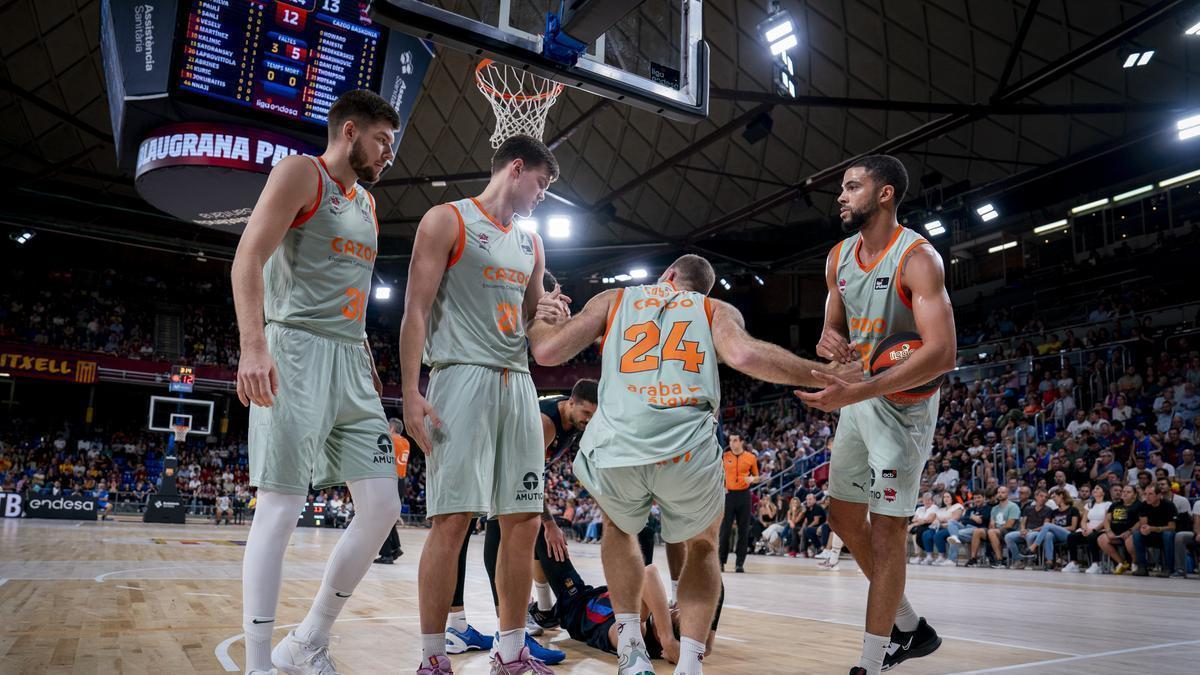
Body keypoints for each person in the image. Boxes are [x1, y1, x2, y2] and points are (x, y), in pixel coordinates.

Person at [527, 253, 857, 675]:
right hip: (685, 445)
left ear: (666, 276)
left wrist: (539, 319)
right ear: (704, 289)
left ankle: (630, 646)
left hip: (621, 442)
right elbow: (745, 356)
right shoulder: (713, 308)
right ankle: (690, 662)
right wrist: (824, 374)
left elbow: (548, 351)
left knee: (619, 527)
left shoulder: (616, 298)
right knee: (703, 544)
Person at [232, 89, 404, 675]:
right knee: (281, 506)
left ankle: (307, 640)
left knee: (382, 504)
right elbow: (248, 257)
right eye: (383, 140)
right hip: (295, 348)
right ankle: (258, 664)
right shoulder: (301, 174)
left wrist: (363, 354)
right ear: (350, 132)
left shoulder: (370, 205)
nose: (389, 154)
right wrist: (254, 346)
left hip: (351, 360)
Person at [400, 133, 564, 675]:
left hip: (517, 382)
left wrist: (550, 315)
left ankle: (511, 651)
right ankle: (431, 657)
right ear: (516, 170)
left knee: (523, 521)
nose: (542, 195)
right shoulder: (446, 220)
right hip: (460, 377)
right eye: (541, 184)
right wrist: (410, 392)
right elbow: (416, 312)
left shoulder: (532, 244)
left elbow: (530, 328)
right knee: (453, 521)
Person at [797, 155, 957, 675]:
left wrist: (859, 389)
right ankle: (909, 626)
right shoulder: (838, 257)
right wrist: (830, 343)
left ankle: (872, 659)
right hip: (860, 397)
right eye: (841, 188)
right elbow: (832, 333)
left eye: (852, 186)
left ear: (884, 194)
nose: (840, 196)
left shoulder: (918, 259)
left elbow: (943, 353)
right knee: (842, 516)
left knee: (888, 533)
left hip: (905, 408)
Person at [445, 378, 598, 665]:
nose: (589, 420)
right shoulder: (546, 424)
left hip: (497, 459)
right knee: (501, 533)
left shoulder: (572, 420)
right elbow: (527, 476)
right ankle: (508, 634)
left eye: (594, 415)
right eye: (585, 413)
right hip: (486, 460)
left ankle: (462, 627)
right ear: (571, 403)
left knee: (514, 530)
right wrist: (551, 523)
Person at [718, 434, 758, 572]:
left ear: (741, 442)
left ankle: (739, 563)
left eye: (735, 440)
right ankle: (720, 561)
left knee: (743, 530)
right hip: (729, 495)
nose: (732, 443)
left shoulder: (751, 457)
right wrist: (721, 486)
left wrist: (752, 479)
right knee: (725, 530)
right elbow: (718, 473)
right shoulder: (725, 456)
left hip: (744, 496)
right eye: (730, 440)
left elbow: (757, 476)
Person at [374, 418, 411, 565]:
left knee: (382, 518)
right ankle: (395, 548)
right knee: (389, 517)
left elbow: (381, 459)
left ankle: (386, 554)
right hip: (401, 481)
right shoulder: (406, 442)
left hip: (390, 479)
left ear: (391, 428)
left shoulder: (389, 440)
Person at [1131, 485, 1177, 577]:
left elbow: (1172, 527)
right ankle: (1142, 567)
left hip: (1164, 533)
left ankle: (1168, 568)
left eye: (1150, 494)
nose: (1147, 497)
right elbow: (1143, 524)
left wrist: (1154, 529)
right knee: (1137, 534)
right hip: (1151, 534)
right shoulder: (1144, 505)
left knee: (1167, 535)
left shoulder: (1168, 505)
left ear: (1159, 495)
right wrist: (1144, 529)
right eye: (1145, 494)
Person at [1004, 488, 1054, 569]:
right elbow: (1023, 522)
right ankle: (1018, 560)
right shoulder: (1028, 508)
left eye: (1046, 497)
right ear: (1036, 496)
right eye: (1041, 496)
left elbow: (1045, 526)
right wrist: (1023, 529)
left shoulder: (1048, 510)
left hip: (1038, 532)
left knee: (1030, 536)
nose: (1043, 498)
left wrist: (1030, 531)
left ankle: (1031, 561)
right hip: (1026, 531)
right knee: (1008, 536)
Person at [1064, 485, 1110, 574]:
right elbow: (1084, 520)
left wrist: (1093, 530)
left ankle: (1096, 564)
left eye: (1098, 489)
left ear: (1103, 492)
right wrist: (1085, 529)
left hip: (1100, 529)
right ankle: (1074, 563)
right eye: (1094, 488)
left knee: (1092, 537)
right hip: (1088, 528)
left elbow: (1105, 521)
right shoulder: (1089, 504)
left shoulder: (1108, 504)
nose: (1095, 490)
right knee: (1071, 536)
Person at [1098, 484, 1141, 574]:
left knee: (1129, 540)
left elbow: (1140, 522)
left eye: (1128, 492)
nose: (1125, 494)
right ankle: (1122, 563)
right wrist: (1109, 532)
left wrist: (1130, 531)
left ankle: (1134, 563)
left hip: (1130, 534)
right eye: (1123, 492)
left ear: (1135, 495)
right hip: (1115, 534)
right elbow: (1107, 519)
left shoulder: (1139, 505)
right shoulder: (1115, 505)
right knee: (1101, 539)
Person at [1035, 490, 1079, 570]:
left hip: (1068, 535)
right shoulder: (1054, 512)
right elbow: (1051, 528)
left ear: (1061, 496)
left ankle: (1034, 545)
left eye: (1054, 497)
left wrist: (1057, 528)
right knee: (1048, 534)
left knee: (1048, 525)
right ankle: (1049, 561)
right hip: (1056, 535)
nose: (1053, 499)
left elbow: (1073, 527)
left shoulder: (1073, 510)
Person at [980, 486, 1020, 567]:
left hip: (1009, 530)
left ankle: (1000, 560)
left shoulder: (1013, 506)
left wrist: (994, 529)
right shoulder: (994, 508)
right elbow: (991, 523)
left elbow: (1010, 524)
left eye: (1003, 492)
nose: (1000, 494)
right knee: (978, 531)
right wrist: (992, 525)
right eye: (998, 492)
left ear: (1007, 494)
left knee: (991, 532)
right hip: (996, 531)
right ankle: (973, 559)